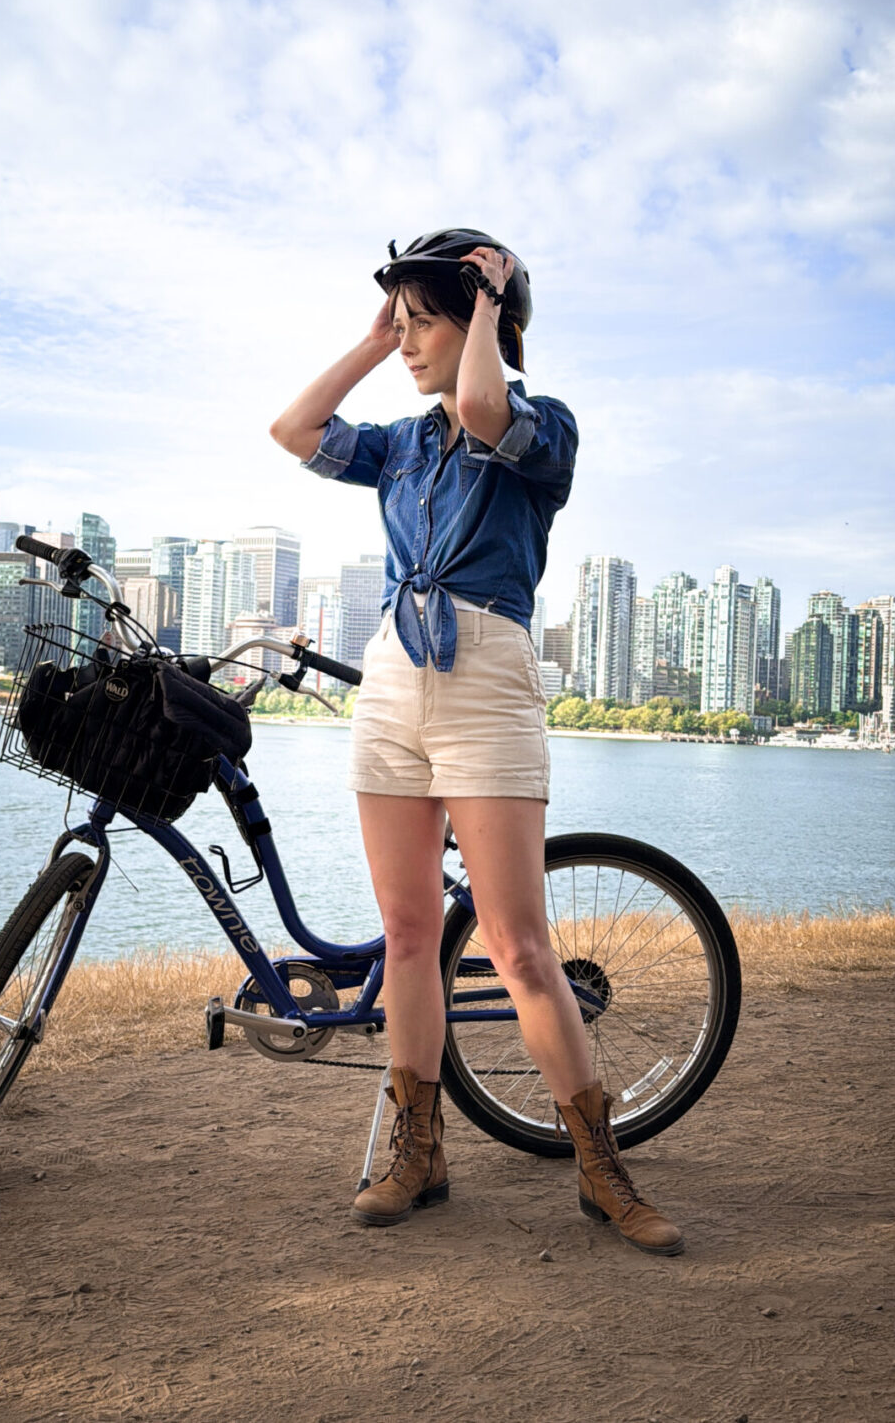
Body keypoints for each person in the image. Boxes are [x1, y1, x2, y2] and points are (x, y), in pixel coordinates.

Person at [269, 228, 682, 1256]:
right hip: (396, 678)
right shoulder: (401, 448)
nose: (408, 342)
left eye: (424, 322)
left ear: (484, 321)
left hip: (490, 677)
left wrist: (491, 306)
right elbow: (293, 428)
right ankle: (421, 1151)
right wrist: (372, 341)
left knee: (518, 946)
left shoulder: (543, 428)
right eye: (398, 323)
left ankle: (600, 1167)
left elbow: (489, 409)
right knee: (409, 935)